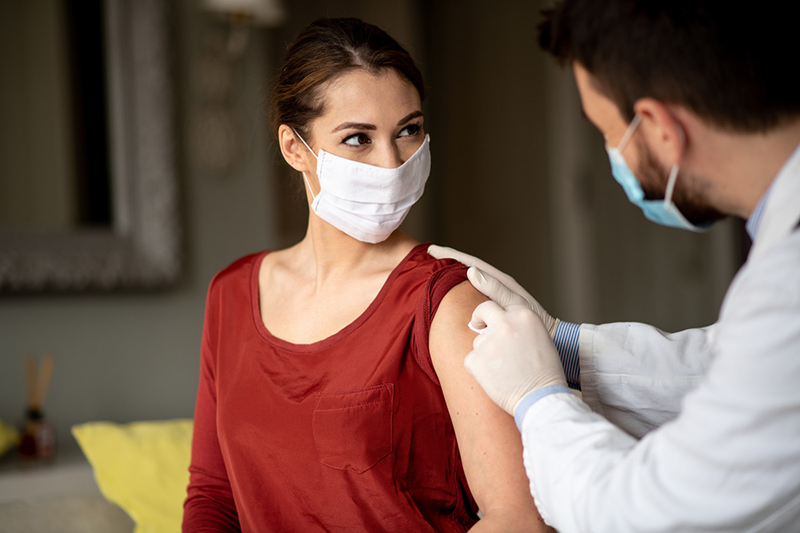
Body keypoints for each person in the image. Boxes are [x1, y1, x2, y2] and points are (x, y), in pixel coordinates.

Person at [430, 1, 800, 531]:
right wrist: (565, 346)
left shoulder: (785, 291)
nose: (614, 159)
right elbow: (731, 369)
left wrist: (538, 399)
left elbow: (641, 513)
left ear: (661, 128)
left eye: (608, 135)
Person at [182, 17, 548, 532]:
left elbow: (520, 519)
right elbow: (213, 495)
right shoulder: (231, 294)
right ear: (295, 149)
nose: (392, 162)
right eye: (358, 138)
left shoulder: (444, 299)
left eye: (409, 130)